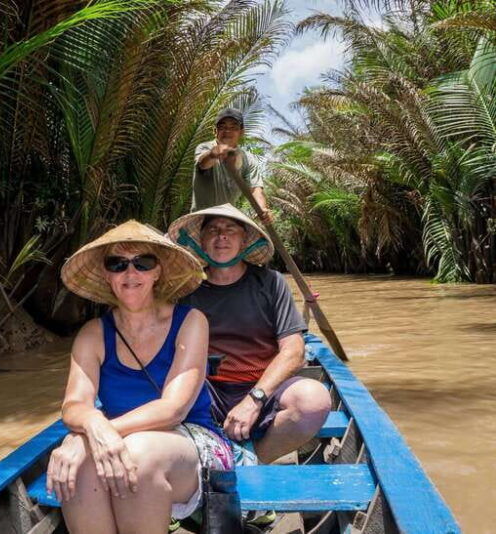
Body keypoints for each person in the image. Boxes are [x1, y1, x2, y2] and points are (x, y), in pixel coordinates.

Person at [47, 220, 235, 534]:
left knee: (136, 454)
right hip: (119, 443)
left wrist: (93, 436)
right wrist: (91, 428)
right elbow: (74, 405)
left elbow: (172, 409)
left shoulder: (190, 321)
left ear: (157, 271)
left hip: (192, 440)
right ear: (107, 274)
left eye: (142, 263)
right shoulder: (93, 334)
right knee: (80, 467)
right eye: (117, 264)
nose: (130, 274)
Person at [169, 204, 331, 464]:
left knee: (314, 400)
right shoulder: (187, 291)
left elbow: (294, 351)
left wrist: (254, 399)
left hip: (263, 387)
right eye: (213, 230)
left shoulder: (270, 282)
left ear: (244, 241)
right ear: (201, 241)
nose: (221, 236)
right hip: (207, 390)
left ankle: (252, 459)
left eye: (230, 230)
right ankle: (212, 452)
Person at [192, 107, 273, 223]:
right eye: (222, 127)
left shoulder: (249, 159)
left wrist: (262, 209)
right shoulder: (205, 148)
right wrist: (213, 154)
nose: (227, 131)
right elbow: (203, 164)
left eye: (233, 127)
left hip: (226, 221)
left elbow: (255, 189)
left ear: (241, 132)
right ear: (215, 131)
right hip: (199, 220)